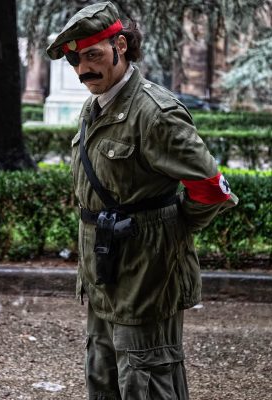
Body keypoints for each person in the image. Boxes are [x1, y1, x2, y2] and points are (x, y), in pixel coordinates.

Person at [47, 2, 238, 399]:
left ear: (120, 45)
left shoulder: (155, 113)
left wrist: (171, 229)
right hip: (104, 269)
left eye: (93, 55)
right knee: (102, 375)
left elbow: (209, 186)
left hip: (148, 275)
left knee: (146, 379)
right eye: (76, 61)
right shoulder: (95, 106)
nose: (83, 70)